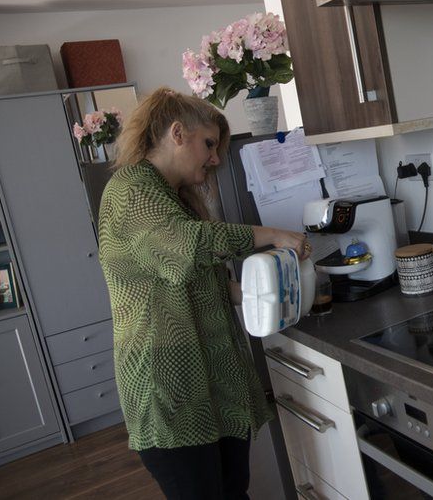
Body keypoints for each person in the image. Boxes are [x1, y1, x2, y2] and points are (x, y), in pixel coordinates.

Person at [97, 87, 311, 499]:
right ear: (177, 133)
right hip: (170, 390)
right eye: (209, 144)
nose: (215, 158)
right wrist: (271, 235)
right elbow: (189, 244)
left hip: (213, 385)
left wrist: (277, 290)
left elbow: (207, 284)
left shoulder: (170, 198)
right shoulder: (130, 190)